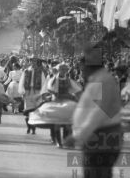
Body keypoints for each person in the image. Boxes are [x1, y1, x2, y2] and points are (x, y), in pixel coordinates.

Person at [64, 48, 122, 178]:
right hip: (97, 136)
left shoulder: (102, 81)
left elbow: (98, 113)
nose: (81, 69)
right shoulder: (98, 79)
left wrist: (77, 135)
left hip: (102, 136)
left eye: (82, 65)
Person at [47, 62, 82, 148]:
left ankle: (66, 139)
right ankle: (58, 141)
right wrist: (55, 93)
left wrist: (79, 96)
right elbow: (50, 88)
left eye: (65, 69)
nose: (64, 71)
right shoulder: (54, 79)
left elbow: (76, 90)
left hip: (66, 100)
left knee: (68, 121)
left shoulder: (68, 80)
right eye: (62, 69)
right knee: (57, 121)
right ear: (58, 70)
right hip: (57, 101)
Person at [18, 54, 49, 134]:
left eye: (35, 61)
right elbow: (21, 82)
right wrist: (22, 92)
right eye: (32, 61)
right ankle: (28, 127)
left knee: (35, 111)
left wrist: (42, 94)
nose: (33, 62)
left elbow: (43, 83)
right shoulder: (26, 71)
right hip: (28, 92)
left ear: (37, 62)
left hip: (37, 92)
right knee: (27, 111)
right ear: (30, 62)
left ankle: (33, 128)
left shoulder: (40, 72)